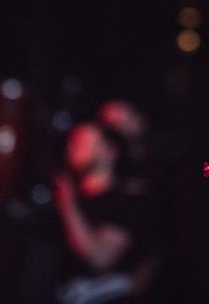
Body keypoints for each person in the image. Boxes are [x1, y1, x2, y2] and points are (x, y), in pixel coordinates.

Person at [55, 122, 158, 304]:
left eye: (85, 141)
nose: (74, 147)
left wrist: (69, 207)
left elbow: (100, 259)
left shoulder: (127, 202)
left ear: (110, 152)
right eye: (73, 141)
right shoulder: (67, 193)